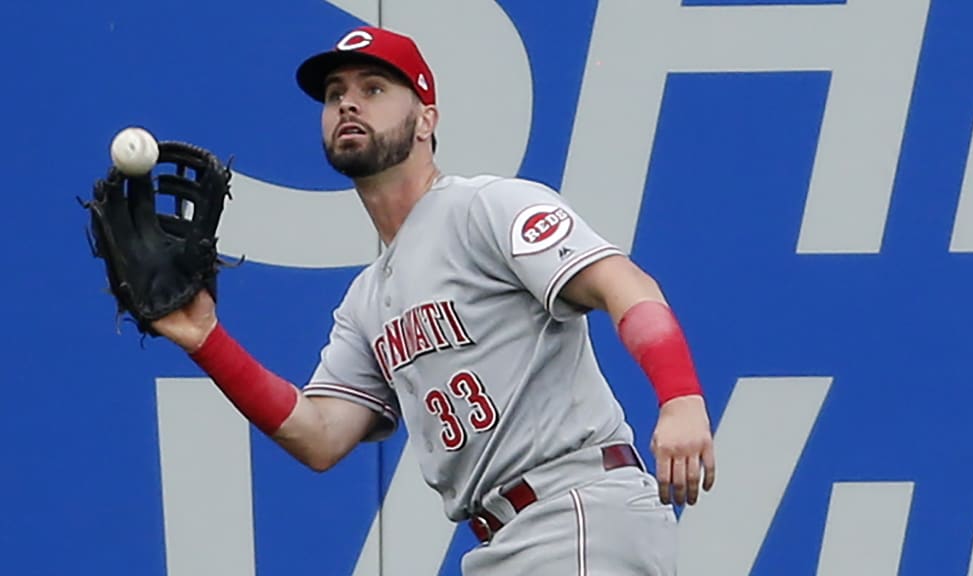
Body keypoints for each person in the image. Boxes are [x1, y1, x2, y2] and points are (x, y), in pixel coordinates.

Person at [153, 25, 716, 575]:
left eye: (373, 88)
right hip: (505, 539)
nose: (349, 104)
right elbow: (319, 435)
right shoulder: (367, 300)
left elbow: (626, 285)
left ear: (427, 119)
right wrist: (206, 339)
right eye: (335, 94)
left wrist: (680, 397)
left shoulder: (485, 208)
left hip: (575, 512)